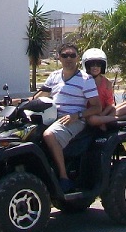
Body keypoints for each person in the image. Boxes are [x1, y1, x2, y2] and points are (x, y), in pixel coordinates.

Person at [34, 43, 100, 192]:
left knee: (49, 135)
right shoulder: (54, 76)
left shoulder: (86, 79)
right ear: (59, 57)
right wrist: (17, 103)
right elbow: (39, 97)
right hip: (51, 116)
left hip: (73, 119)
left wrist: (78, 115)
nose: (68, 58)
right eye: (65, 55)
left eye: (72, 55)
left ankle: (64, 178)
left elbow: (97, 107)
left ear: (77, 58)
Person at [80, 47, 126, 128]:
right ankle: (122, 118)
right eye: (92, 64)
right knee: (93, 119)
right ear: (87, 66)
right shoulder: (82, 81)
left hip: (105, 113)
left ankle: (104, 120)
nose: (95, 67)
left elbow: (110, 104)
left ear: (102, 66)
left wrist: (102, 115)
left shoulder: (107, 83)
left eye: (98, 65)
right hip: (90, 114)